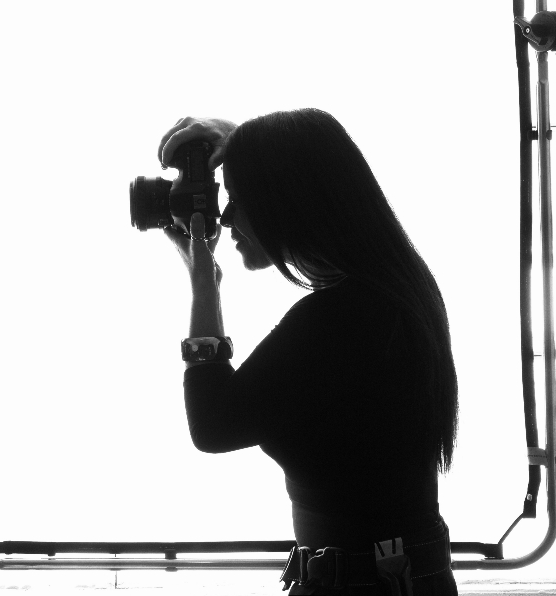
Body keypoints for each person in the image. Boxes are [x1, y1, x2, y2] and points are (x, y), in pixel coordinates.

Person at [159, 110, 459, 595]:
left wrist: (204, 283)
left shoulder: (342, 319)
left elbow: (213, 425)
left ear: (288, 201)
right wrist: (244, 143)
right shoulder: (396, 293)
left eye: (238, 198)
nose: (226, 216)